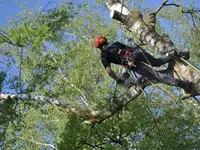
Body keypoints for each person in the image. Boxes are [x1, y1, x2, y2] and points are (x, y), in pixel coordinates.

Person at [94, 36, 192, 93]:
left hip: (132, 62)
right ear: (106, 41)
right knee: (156, 62)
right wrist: (126, 70)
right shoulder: (115, 43)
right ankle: (176, 54)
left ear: (99, 47)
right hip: (137, 52)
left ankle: (183, 84)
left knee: (156, 76)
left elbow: (108, 70)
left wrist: (118, 80)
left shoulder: (103, 55)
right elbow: (129, 50)